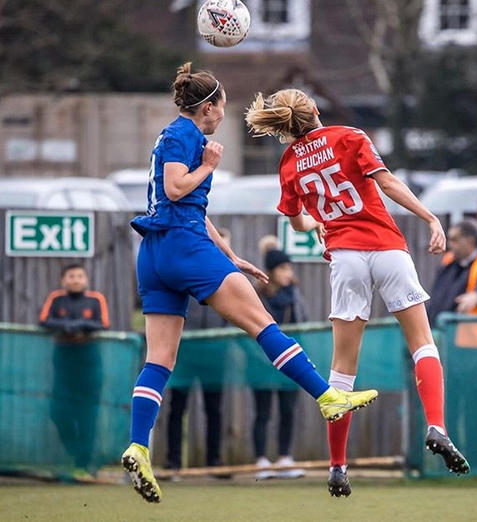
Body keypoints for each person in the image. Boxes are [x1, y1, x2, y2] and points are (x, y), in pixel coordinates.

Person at [120, 63, 378, 504]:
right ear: (209, 107)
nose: (224, 112)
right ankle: (327, 397)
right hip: (183, 247)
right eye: (222, 104)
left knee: (159, 358)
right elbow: (178, 188)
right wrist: (209, 164)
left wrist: (231, 254)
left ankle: (138, 445)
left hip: (156, 254)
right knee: (263, 324)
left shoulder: (170, 136)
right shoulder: (188, 134)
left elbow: (187, 206)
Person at [245, 89, 471, 497]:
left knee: (342, 370)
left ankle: (337, 466)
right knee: (423, 344)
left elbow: (296, 222)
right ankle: (436, 425)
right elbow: (386, 183)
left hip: (346, 258)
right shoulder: (349, 136)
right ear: (314, 110)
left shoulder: (289, 161)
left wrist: (316, 224)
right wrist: (430, 216)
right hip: (387, 249)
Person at [427, 220, 477, 469]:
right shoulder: (449, 263)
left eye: (454, 239)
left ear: (470, 241)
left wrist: (476, 295)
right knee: (447, 409)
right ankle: (448, 464)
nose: (450, 244)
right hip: (450, 351)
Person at [166, 228, 231, 476]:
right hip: (185, 354)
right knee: (176, 408)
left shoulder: (230, 279)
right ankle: (173, 463)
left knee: (214, 409)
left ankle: (214, 461)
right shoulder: (186, 272)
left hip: (215, 356)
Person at [39, 264, 110, 480]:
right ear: (64, 279)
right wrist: (66, 326)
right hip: (64, 361)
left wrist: (81, 324)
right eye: (71, 276)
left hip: (89, 362)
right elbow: (44, 320)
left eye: (80, 275)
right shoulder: (56, 299)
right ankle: (73, 452)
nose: (76, 279)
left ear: (86, 279)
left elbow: (103, 323)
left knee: (87, 413)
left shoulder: (96, 299)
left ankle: (84, 463)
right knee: (58, 411)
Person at [253, 237, 306, 479]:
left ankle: (285, 458)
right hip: (261, 364)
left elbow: (302, 324)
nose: (288, 273)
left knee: (288, 410)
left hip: (290, 363)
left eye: (289, 268)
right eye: (283, 268)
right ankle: (261, 461)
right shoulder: (256, 295)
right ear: (271, 272)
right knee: (262, 412)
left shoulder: (294, 294)